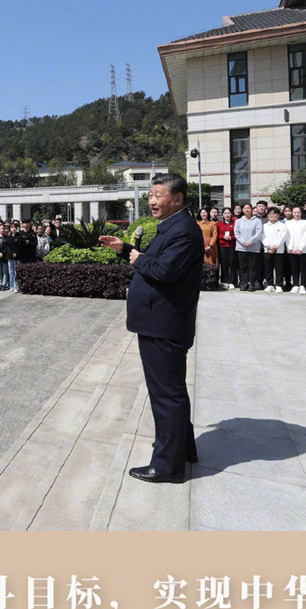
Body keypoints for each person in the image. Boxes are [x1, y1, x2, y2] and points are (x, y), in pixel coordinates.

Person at [101, 174, 203, 484]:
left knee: (166, 395)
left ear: (178, 198)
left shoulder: (183, 231)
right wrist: (126, 249)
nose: (152, 201)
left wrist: (136, 258)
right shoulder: (172, 226)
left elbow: (163, 270)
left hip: (164, 325)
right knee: (172, 390)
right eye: (150, 195)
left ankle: (166, 466)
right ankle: (184, 449)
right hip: (160, 322)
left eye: (158, 195)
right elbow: (154, 260)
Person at [234, 203, 263, 291]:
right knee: (243, 267)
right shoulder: (238, 221)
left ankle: (252, 284)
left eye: (248, 208)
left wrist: (250, 242)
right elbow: (236, 233)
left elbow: (258, 233)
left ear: (251, 209)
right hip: (241, 247)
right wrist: (243, 242)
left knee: (253, 267)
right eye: (245, 208)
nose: (247, 210)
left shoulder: (257, 221)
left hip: (253, 248)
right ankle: (244, 283)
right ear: (242, 210)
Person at [284, 206, 306, 294]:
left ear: (301, 213)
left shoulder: (305, 223)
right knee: (294, 268)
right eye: (295, 212)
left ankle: (302, 285)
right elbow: (287, 237)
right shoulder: (288, 223)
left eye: (298, 212)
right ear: (292, 213)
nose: (296, 214)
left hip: (303, 250)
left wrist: (301, 248)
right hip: (292, 250)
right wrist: (290, 248)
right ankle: (295, 285)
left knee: (303, 268)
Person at [261, 207, 288, 292]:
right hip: (267, 250)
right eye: (270, 214)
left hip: (279, 250)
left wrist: (275, 246)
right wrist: (269, 245)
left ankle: (279, 285)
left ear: (278, 215)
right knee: (268, 268)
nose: (272, 215)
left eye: (274, 214)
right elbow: (262, 237)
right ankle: (270, 284)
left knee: (279, 269)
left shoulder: (282, 226)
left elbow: (283, 237)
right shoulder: (264, 226)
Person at [216, 207, 236, 288]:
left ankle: (232, 282)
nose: (227, 215)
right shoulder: (219, 223)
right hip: (222, 246)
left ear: (231, 214)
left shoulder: (235, 223)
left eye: (228, 213)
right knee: (224, 264)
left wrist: (232, 237)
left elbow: (238, 234)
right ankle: (224, 281)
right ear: (223, 215)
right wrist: (222, 237)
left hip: (232, 246)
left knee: (232, 264)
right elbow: (217, 235)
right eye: (225, 213)